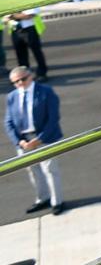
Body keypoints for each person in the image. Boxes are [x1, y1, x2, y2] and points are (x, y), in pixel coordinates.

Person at [7, 66, 64, 216]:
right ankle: (43, 198)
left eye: (23, 79)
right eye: (16, 82)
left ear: (31, 76)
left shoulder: (46, 92)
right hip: (24, 141)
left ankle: (57, 202)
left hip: (44, 138)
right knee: (33, 171)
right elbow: (9, 122)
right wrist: (20, 141)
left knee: (50, 170)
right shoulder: (12, 96)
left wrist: (40, 139)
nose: (20, 83)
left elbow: (53, 119)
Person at [8, 10, 48, 78]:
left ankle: (42, 73)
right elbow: (6, 18)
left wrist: (13, 16)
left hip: (29, 29)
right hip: (15, 30)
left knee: (36, 52)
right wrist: (15, 16)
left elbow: (29, 15)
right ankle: (24, 75)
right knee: (20, 55)